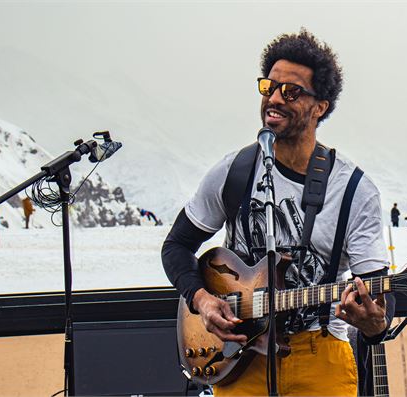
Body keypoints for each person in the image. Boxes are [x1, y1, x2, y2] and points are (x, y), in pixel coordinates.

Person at [162, 29, 394, 397]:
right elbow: (176, 246)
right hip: (239, 362)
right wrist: (203, 301)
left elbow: (378, 297)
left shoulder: (353, 190)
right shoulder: (233, 172)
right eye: (269, 87)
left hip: (320, 356)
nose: (274, 98)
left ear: (321, 107)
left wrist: (374, 323)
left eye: (291, 92)